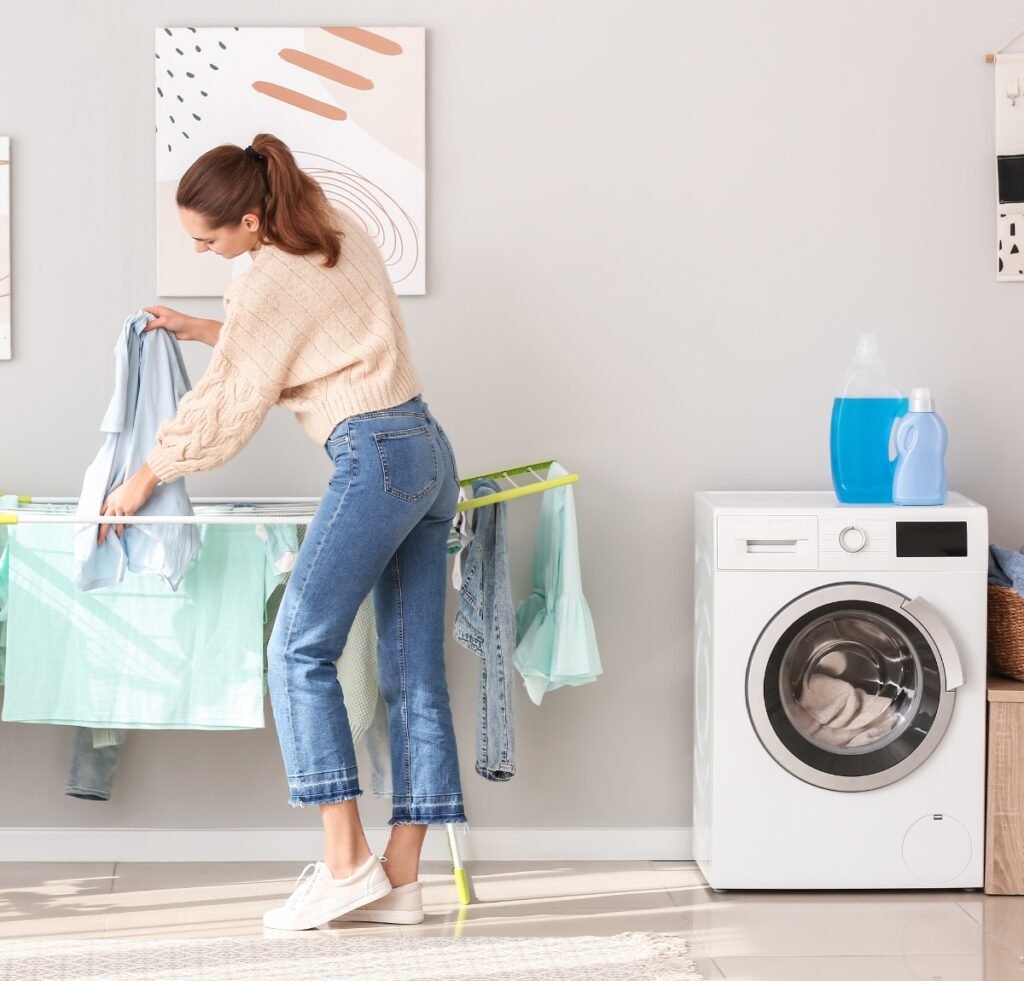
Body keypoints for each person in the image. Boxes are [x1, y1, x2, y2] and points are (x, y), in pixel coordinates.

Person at [99, 133, 467, 930]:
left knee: (298, 650)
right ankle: (402, 878)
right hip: (429, 452)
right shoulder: (336, 228)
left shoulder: (264, 283)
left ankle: (345, 863)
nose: (201, 247)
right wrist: (203, 329)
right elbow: (301, 338)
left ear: (254, 220)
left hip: (372, 456)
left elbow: (230, 402)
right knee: (413, 674)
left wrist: (143, 476)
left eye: (209, 237)